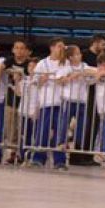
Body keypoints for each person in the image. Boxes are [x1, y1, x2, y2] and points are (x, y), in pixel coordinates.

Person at [30, 38, 70, 170]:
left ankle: (59, 160)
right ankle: (38, 158)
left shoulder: (66, 63)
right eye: (59, 46)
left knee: (60, 133)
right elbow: (35, 82)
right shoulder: (43, 63)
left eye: (63, 47)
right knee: (43, 131)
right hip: (46, 102)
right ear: (52, 47)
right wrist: (43, 79)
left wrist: (65, 79)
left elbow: (69, 77)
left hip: (62, 102)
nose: (61, 49)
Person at [1, 40, 33, 164]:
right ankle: (12, 153)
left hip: (26, 101)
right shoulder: (9, 61)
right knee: (11, 129)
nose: (19, 50)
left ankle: (24, 154)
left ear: (27, 51)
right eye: (17, 48)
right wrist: (4, 70)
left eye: (22, 48)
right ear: (13, 49)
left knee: (24, 129)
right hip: (11, 99)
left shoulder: (30, 63)